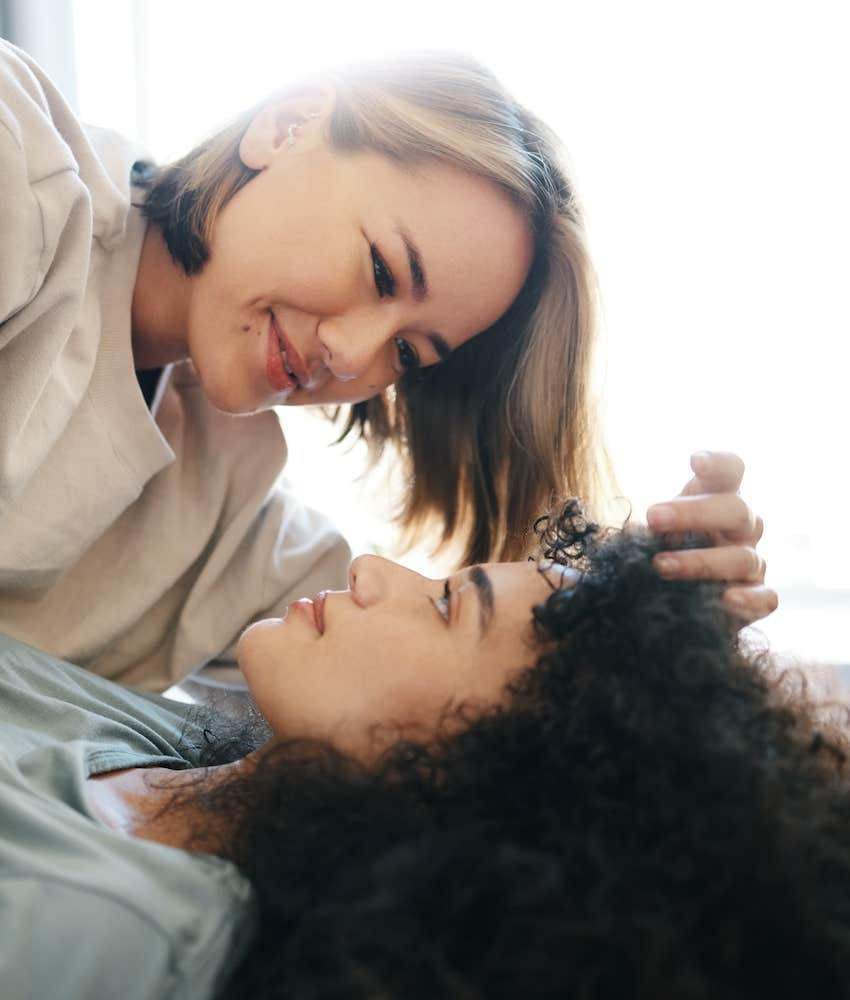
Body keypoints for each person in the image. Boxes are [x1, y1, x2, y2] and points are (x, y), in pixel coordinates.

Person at [0, 40, 770, 691]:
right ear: (287, 125)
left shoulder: (234, 524)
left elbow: (466, 693)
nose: (353, 354)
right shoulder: (20, 163)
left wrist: (674, 610)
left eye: (408, 351)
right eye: (380, 270)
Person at [1, 494, 832, 1000]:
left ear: (489, 775)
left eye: (442, 606)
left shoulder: (115, 934)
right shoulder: (167, 749)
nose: (370, 570)